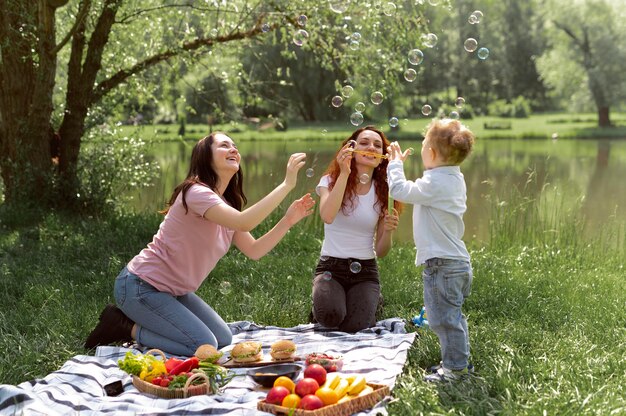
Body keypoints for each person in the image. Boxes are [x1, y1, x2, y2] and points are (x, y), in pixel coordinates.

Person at [84, 132, 315, 356]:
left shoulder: (223, 206)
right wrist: (286, 185)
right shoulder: (196, 193)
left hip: (173, 292)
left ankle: (148, 323)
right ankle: (124, 326)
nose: (233, 149)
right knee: (204, 344)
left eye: (234, 145)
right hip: (140, 287)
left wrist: (288, 220)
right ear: (205, 157)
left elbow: (255, 251)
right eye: (224, 145)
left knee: (223, 339)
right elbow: (245, 222)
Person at [386, 118, 475, 382]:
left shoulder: (436, 183)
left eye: (424, 145)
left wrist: (394, 164)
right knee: (452, 318)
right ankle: (457, 363)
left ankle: (455, 371)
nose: (422, 148)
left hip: (443, 266)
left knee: (443, 321)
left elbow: (399, 189)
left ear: (432, 153)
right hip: (454, 264)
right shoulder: (451, 178)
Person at [311, 126, 401, 332]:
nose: (371, 147)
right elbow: (327, 216)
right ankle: (324, 302)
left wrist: (388, 231)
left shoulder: (385, 193)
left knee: (357, 327)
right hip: (330, 268)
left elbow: (382, 251)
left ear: (382, 158)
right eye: (364, 143)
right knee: (331, 317)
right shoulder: (330, 181)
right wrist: (344, 173)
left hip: (366, 270)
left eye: (377, 145)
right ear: (351, 149)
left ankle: (372, 298)